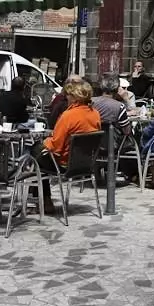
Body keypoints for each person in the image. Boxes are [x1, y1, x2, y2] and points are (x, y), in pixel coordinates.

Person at [37, 79, 101, 214]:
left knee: (36, 157)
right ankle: (43, 199)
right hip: (86, 163)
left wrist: (46, 142)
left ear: (74, 97)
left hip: (64, 164)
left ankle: (45, 200)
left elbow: (56, 146)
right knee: (40, 157)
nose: (66, 97)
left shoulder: (68, 116)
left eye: (68, 95)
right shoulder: (95, 114)